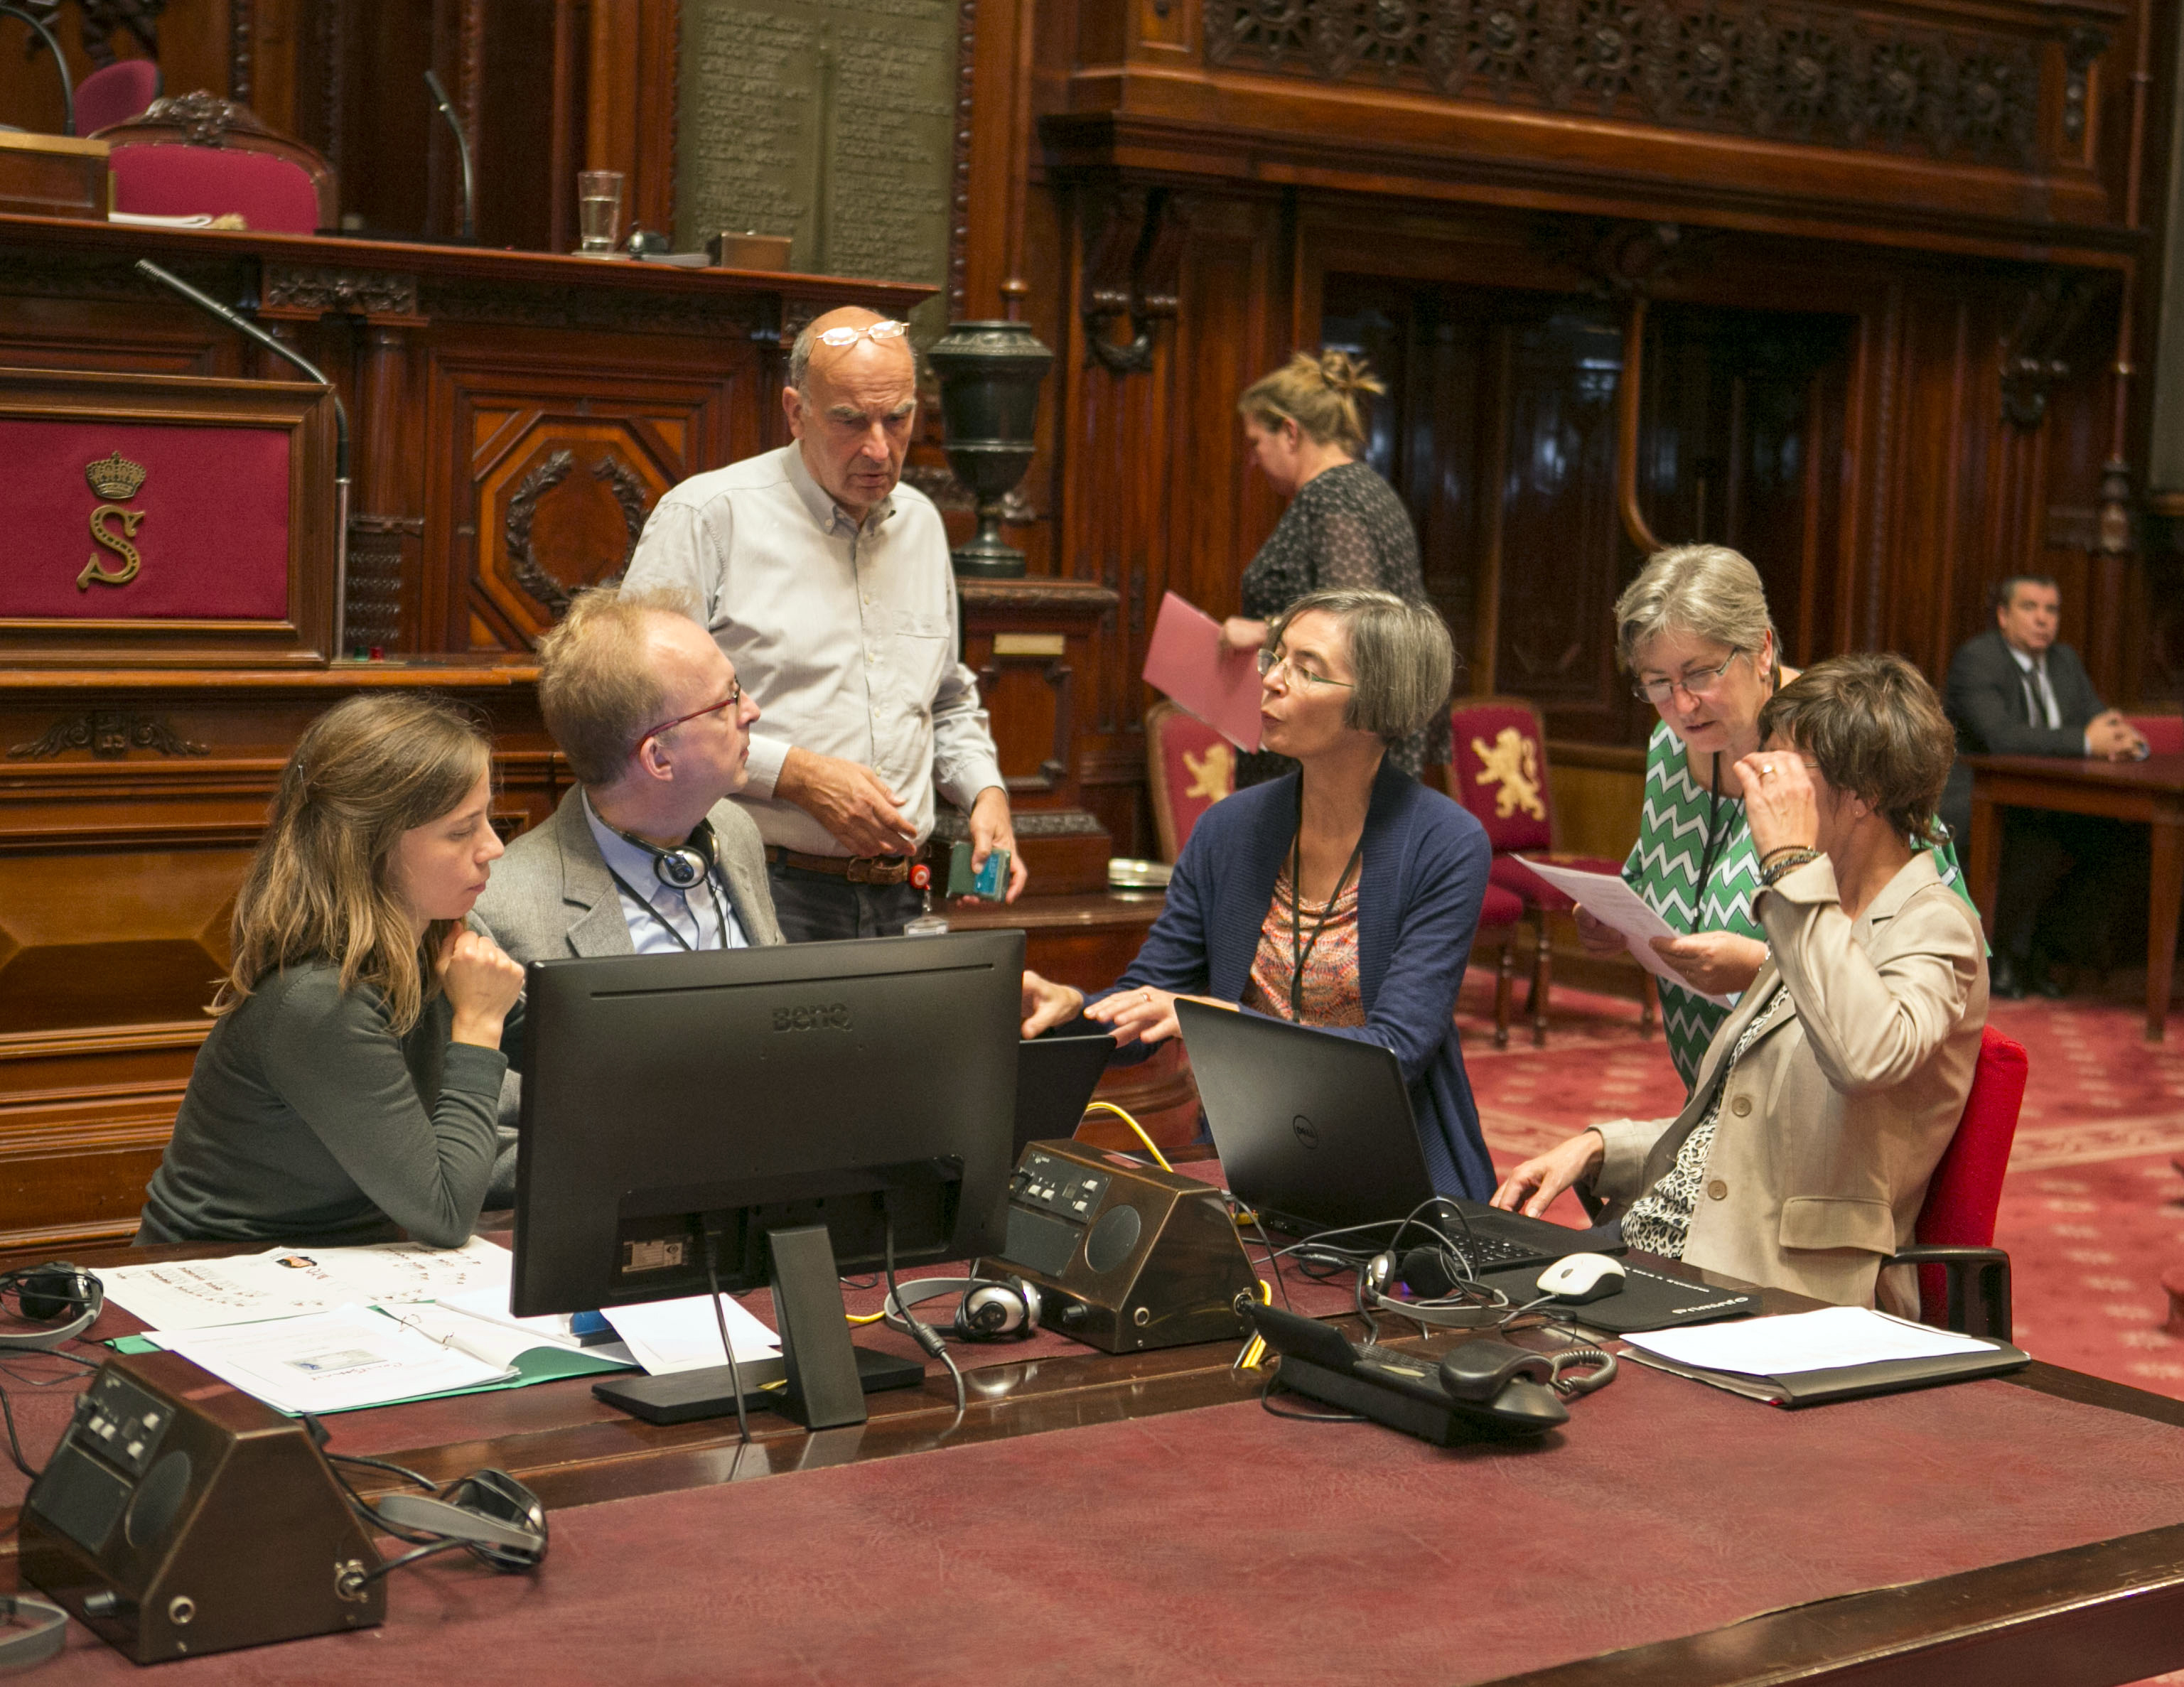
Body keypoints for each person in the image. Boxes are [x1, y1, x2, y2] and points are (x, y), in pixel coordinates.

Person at [1492, 654, 1986, 1316]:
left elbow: (1862, 1058)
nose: (1757, 787)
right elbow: (1745, 1129)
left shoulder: (1931, 926)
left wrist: (1791, 863)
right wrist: (1599, 1146)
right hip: (1679, 1240)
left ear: (1862, 794)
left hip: (1778, 1284)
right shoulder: (1822, 906)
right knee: (1463, 1281)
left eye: (1781, 772)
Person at [1021, 588, 1497, 1200]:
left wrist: (1221, 1024)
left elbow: (1395, 1053)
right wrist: (1074, 1012)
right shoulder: (1230, 829)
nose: (1270, 680)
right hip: (1252, 1159)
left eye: (1306, 670)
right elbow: (1153, 995)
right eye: (1274, 659)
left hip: (1401, 1175)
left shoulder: (1446, 842)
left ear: (1377, 703)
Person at [621, 306, 1019, 940]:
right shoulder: (707, 516)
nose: (879, 448)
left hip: (901, 897)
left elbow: (943, 699)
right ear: (795, 411)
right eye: (849, 421)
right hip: (755, 887)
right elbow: (642, 712)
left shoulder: (920, 523)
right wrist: (798, 777)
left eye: (898, 419)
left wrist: (984, 793)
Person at [138, 695, 525, 1247]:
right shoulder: (320, 999)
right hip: (226, 1273)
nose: (494, 848)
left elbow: (564, 1047)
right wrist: (480, 1027)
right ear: (373, 847)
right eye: (462, 831)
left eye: (486, 818)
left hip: (359, 1265)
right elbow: (444, 1215)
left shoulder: (440, 932)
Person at [1583, 544, 1967, 1090]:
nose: (1681, 705)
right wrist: (1616, 911)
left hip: (1818, 1103)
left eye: (1698, 674)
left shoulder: (1838, 744)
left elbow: (1925, 951)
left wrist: (1765, 969)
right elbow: (1666, 870)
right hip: (1710, 1096)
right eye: (1657, 682)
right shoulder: (1668, 748)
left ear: (1761, 649)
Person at [473, 585, 784, 964]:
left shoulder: (735, 831)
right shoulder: (504, 915)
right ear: (659, 759)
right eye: (727, 701)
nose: (751, 711)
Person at [1217, 350, 1445, 785]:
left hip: (1330, 760)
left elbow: (1350, 622)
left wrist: (1262, 632)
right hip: (1355, 748)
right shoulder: (1366, 488)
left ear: (1289, 432)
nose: (1252, 459)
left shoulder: (1331, 495)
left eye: (1254, 443)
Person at [1940, 573, 2148, 998]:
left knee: (2119, 837)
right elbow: (2002, 738)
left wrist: (2126, 739)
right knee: (2039, 839)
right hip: (1972, 794)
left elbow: (2096, 715)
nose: (2042, 620)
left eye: (2051, 610)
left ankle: (2047, 951)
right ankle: (2003, 958)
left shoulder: (2065, 661)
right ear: (2003, 615)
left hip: (2049, 798)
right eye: (2030, 608)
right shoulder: (1978, 659)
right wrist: (2088, 742)